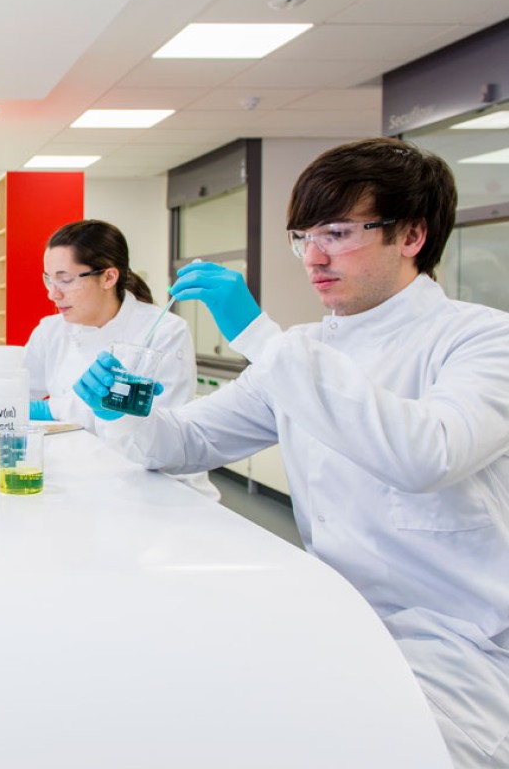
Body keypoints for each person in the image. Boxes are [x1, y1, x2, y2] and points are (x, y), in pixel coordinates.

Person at [74, 138, 509, 768]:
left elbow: (426, 454)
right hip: (339, 615)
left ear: (412, 234)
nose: (314, 255)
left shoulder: (481, 338)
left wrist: (257, 334)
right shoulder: (306, 349)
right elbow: (191, 441)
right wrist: (126, 416)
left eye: (336, 231)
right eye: (302, 236)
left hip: (462, 643)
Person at [25, 218, 218, 499]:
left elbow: (164, 439)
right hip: (85, 483)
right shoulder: (52, 330)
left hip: (162, 492)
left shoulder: (165, 332)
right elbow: (15, 388)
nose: (52, 293)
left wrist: (55, 409)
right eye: (49, 279)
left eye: (65, 280)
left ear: (108, 277)